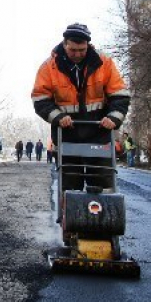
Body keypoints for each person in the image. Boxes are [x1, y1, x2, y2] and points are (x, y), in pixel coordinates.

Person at [31, 22, 131, 192]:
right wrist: (58, 117)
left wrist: (113, 118)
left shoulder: (104, 63)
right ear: (65, 44)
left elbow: (120, 95)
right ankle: (69, 215)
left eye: (82, 50)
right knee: (70, 188)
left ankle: (101, 216)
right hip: (67, 134)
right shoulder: (49, 67)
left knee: (102, 187)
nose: (77, 54)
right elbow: (40, 99)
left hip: (99, 133)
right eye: (73, 50)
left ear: (88, 46)